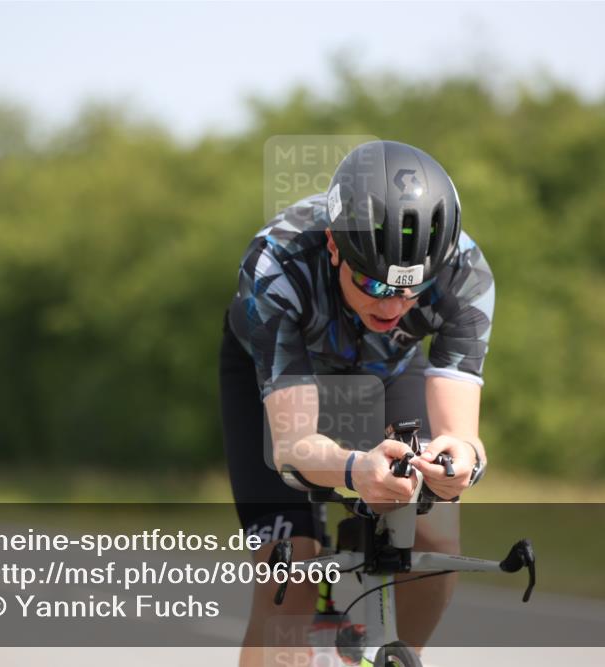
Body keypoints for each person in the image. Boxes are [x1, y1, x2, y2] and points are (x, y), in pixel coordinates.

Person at [219, 140, 494, 666]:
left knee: (435, 532)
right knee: (291, 578)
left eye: (411, 290)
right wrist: (353, 468)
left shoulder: (464, 273)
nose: (392, 306)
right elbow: (295, 447)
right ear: (333, 246)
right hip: (278, 379)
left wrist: (460, 462)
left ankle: (386, 657)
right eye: (372, 283)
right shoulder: (277, 264)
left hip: (384, 369)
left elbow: (461, 436)